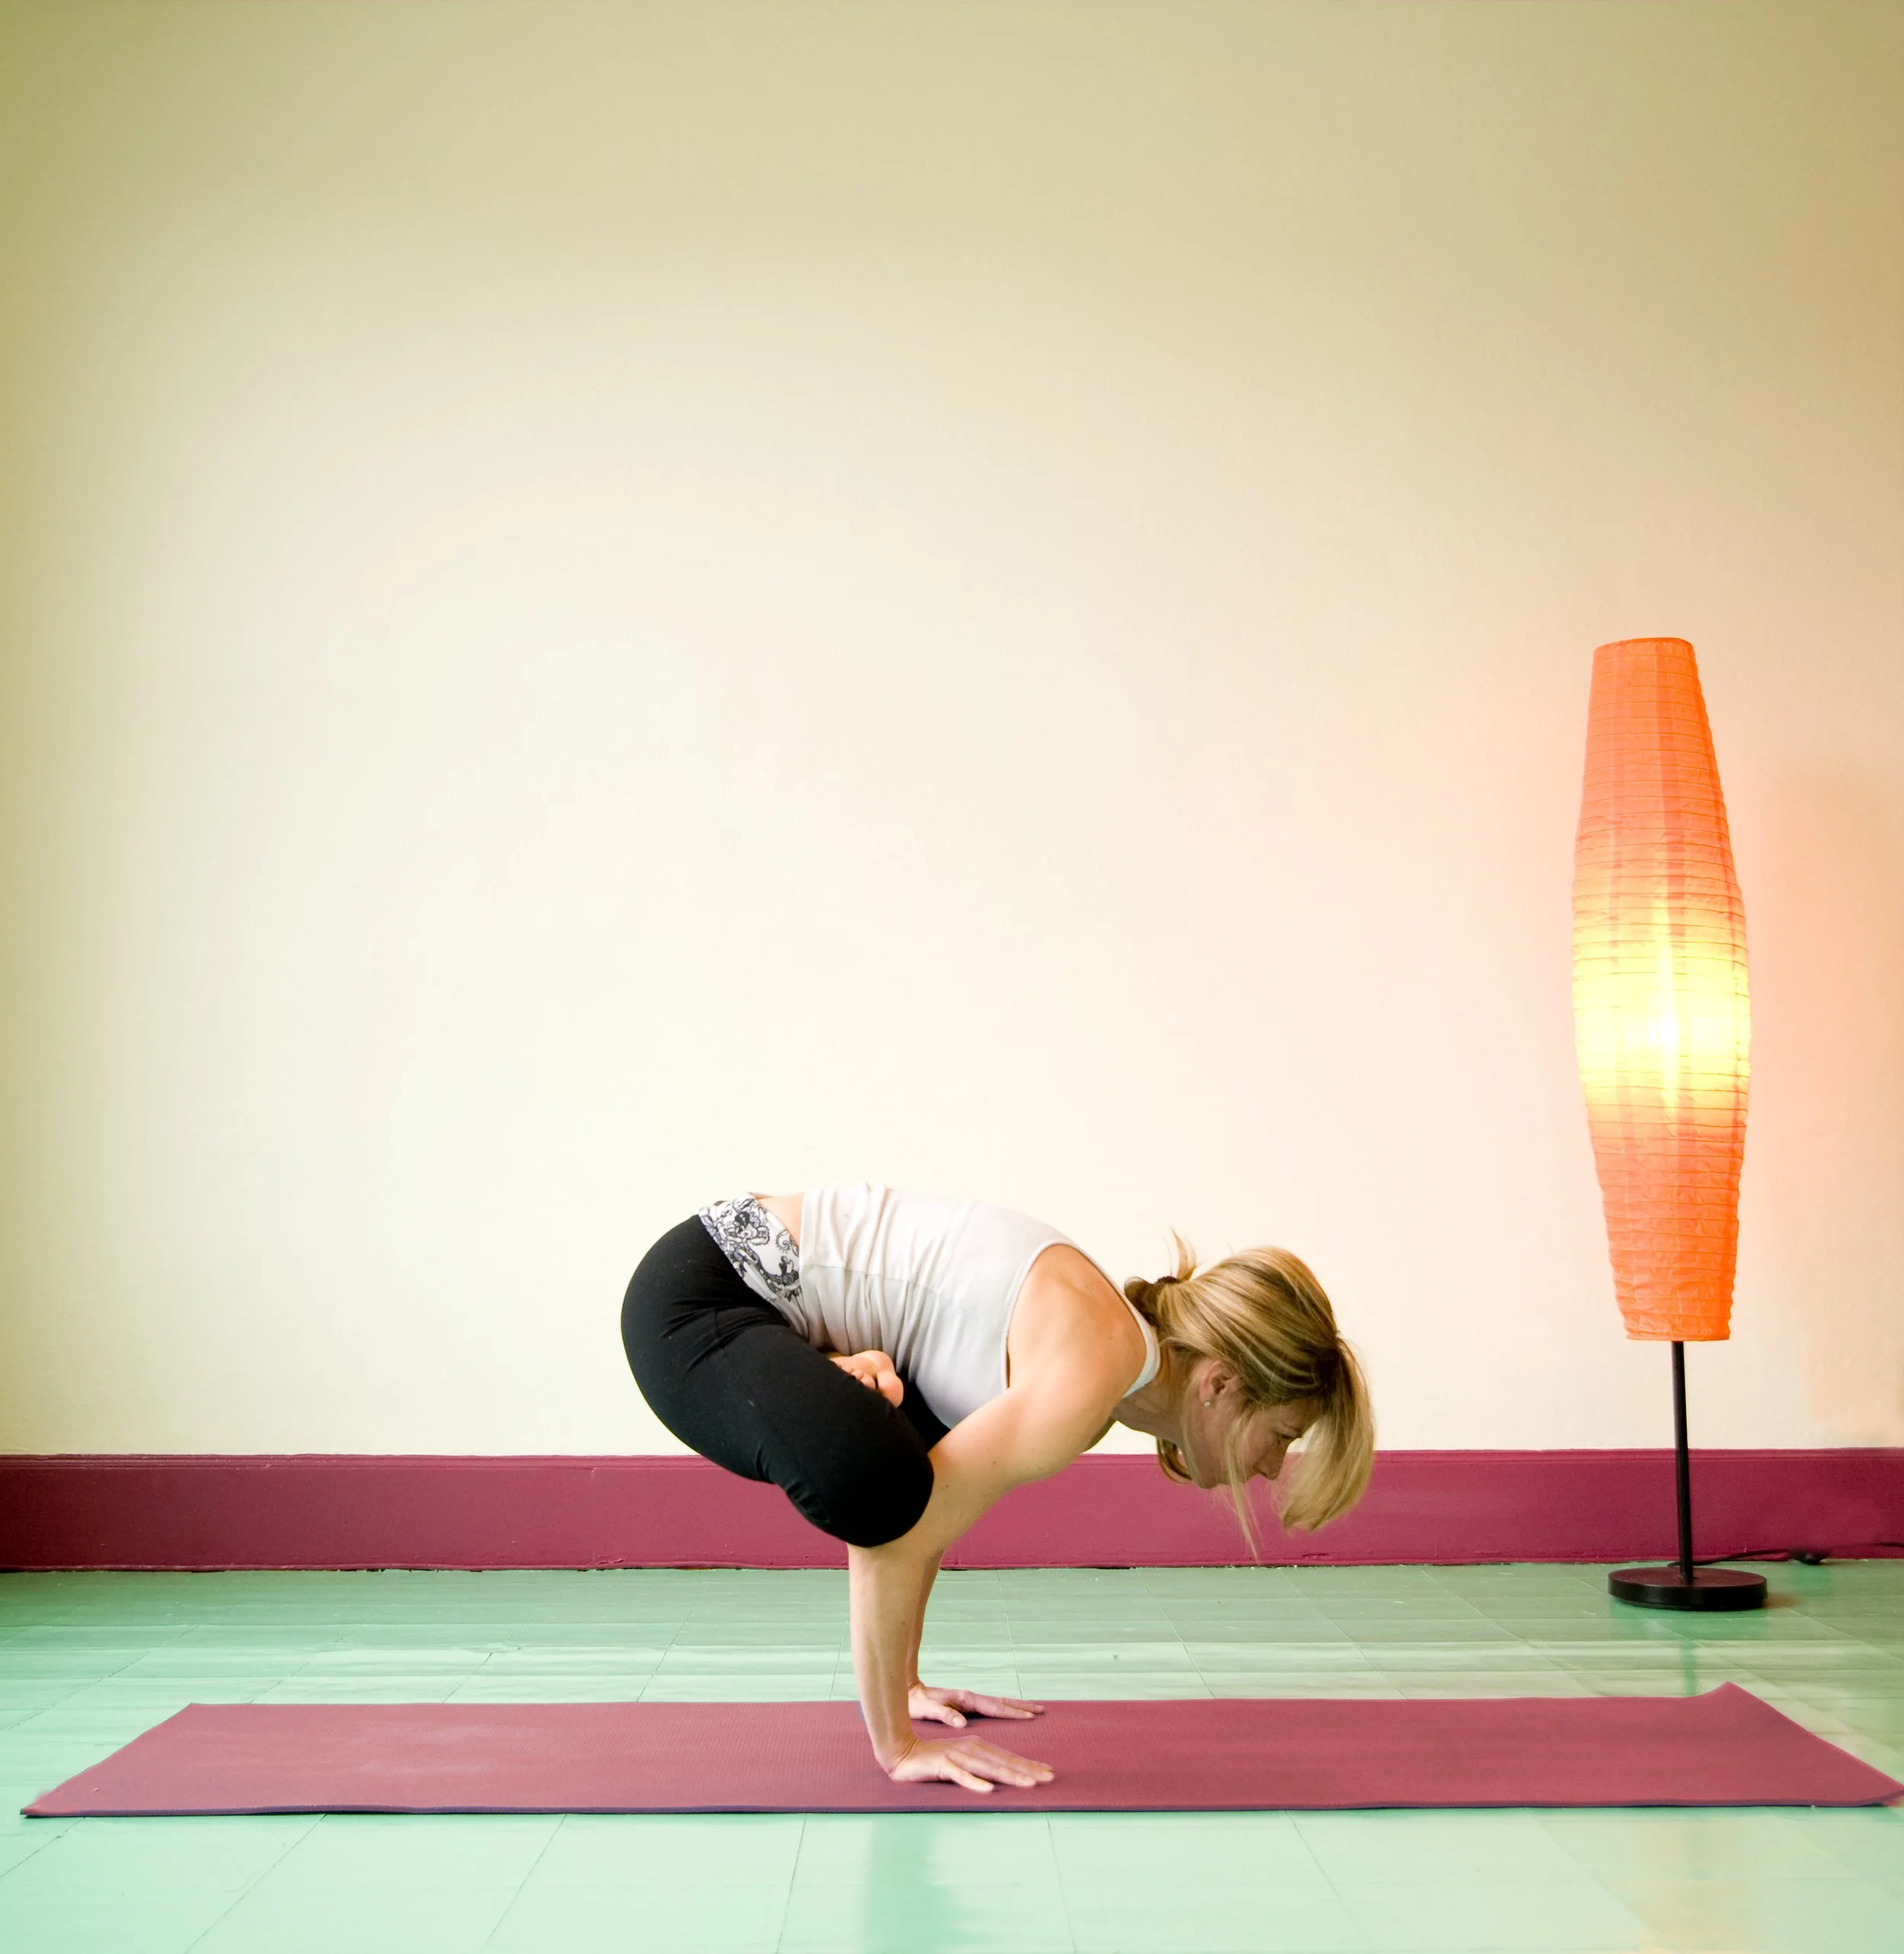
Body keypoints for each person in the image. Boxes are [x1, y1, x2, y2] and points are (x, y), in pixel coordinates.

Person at [621, 1184, 1373, 1794]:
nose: (1274, 1466)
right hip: (703, 1294)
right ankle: (890, 1725)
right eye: (1280, 1433)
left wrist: (904, 1681)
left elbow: (930, 1507)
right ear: (1218, 1384)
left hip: (745, 1289)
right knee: (882, 1484)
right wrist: (898, 1743)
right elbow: (899, 1526)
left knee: (900, 1462)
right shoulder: (1090, 1372)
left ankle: (898, 1676)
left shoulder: (1104, 1365)